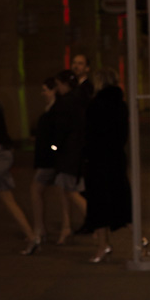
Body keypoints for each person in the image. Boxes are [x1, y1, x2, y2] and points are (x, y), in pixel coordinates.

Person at [83, 68, 132, 263]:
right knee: (121, 201)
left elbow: (89, 135)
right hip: (116, 158)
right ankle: (140, 240)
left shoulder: (95, 105)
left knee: (98, 205)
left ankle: (103, 245)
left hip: (98, 160)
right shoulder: (121, 104)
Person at [29, 77, 71, 249]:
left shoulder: (56, 110)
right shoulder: (54, 109)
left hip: (51, 160)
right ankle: (62, 228)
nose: (43, 93)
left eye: (45, 90)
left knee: (38, 189)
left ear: (54, 90)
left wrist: (53, 148)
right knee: (63, 192)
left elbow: (56, 136)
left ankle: (40, 229)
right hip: (53, 159)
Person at [0, 92, 37, 252]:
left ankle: (32, 237)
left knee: (7, 198)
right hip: (1, 152)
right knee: (8, 199)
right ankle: (31, 237)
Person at [53, 70, 87, 242]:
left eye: (58, 84)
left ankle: (98, 224)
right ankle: (66, 226)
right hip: (75, 152)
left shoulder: (66, 102)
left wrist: (54, 146)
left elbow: (61, 129)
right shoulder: (78, 98)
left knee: (71, 191)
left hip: (70, 153)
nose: (57, 88)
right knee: (65, 190)